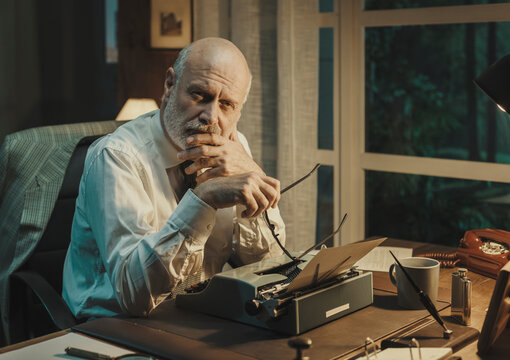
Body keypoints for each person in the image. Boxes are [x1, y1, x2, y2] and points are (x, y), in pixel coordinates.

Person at [62, 37, 285, 319]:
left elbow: (270, 264)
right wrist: (203, 200)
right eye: (200, 96)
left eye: (227, 104)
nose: (211, 117)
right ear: (170, 85)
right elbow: (134, 296)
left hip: (195, 318)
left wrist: (254, 175)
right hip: (111, 329)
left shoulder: (234, 146)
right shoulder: (116, 157)